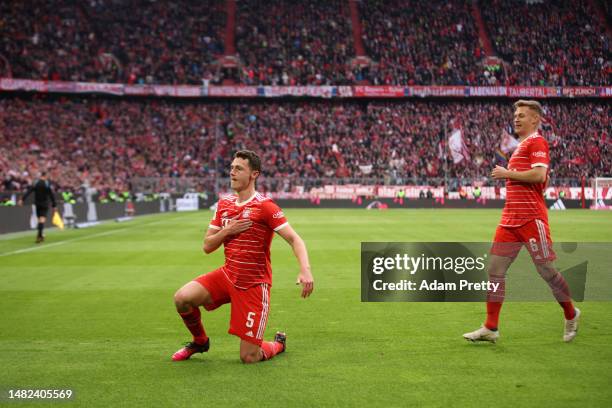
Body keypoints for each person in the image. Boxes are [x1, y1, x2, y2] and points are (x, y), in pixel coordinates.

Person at [172, 150, 314, 363]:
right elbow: (207, 246)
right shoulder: (224, 205)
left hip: (253, 285)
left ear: (254, 174)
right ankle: (200, 341)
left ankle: (277, 344)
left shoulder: (265, 206)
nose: (232, 173)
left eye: (239, 169)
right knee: (182, 299)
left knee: (249, 357)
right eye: (231, 168)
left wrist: (305, 270)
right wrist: (227, 231)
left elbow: (295, 239)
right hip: (228, 275)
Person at [463, 100, 579, 343]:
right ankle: (491, 326)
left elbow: (539, 175)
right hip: (509, 220)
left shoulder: (537, 142)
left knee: (546, 271)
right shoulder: (520, 146)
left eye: (522, 115)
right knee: (495, 271)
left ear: (535, 120)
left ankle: (570, 313)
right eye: (515, 115)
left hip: (531, 219)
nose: (516, 119)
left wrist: (507, 173)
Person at [20, 171, 57, 243]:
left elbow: (29, 191)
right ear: (45, 176)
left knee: (40, 219)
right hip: (45, 204)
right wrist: (54, 205)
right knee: (42, 220)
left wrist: (22, 199)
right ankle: (39, 236)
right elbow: (51, 195)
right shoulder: (47, 183)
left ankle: (40, 235)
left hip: (37, 204)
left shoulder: (36, 183)